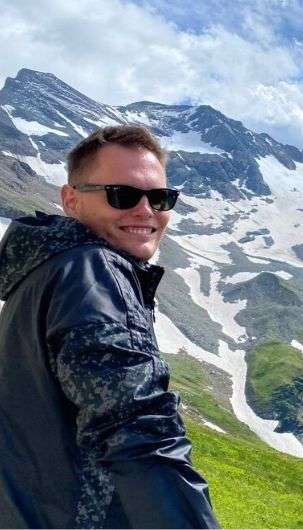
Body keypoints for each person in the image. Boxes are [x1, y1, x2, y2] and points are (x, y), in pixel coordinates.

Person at [0, 125, 220, 528]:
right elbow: (138, 430)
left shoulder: (42, 272)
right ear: (71, 199)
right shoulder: (94, 272)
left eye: (160, 197)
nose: (145, 210)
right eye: (123, 195)